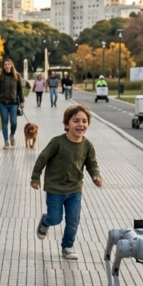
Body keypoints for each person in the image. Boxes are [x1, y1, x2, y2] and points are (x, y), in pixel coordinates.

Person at [31, 105, 103, 260]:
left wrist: (96, 176)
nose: (80, 124)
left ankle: (67, 247)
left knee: (73, 220)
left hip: (75, 190)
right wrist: (35, 177)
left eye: (84, 121)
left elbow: (92, 164)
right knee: (55, 219)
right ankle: (46, 220)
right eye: (76, 121)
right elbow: (42, 159)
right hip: (55, 189)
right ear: (66, 124)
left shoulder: (87, 145)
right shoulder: (57, 142)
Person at [0, 59, 24, 149]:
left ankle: (12, 135)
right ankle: (6, 141)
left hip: (14, 102)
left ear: (11, 65)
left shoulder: (17, 76)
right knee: (4, 121)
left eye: (8, 64)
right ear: (3, 66)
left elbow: (20, 90)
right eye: (5, 65)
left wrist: (22, 101)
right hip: (2, 102)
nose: (7, 66)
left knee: (13, 122)